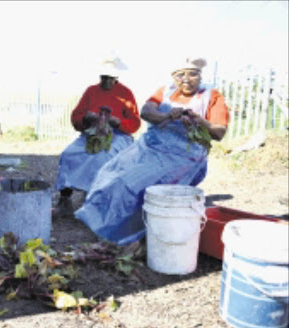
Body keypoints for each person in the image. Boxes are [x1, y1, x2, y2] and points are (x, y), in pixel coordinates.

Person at [74, 57, 229, 245]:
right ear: (173, 77)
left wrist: (198, 120)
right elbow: (146, 112)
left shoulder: (211, 95)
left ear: (200, 75)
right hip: (151, 147)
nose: (186, 79)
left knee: (132, 183)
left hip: (184, 156)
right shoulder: (165, 91)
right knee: (110, 172)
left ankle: (129, 234)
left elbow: (219, 132)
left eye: (192, 74)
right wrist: (167, 116)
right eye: (180, 75)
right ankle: (101, 220)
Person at [53, 57, 141, 218]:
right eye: (103, 77)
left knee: (103, 158)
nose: (106, 81)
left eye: (110, 78)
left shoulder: (126, 93)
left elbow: (135, 123)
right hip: (92, 132)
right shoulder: (91, 91)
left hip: (118, 136)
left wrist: (118, 122)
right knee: (69, 154)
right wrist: (86, 119)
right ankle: (65, 200)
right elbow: (76, 116)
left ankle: (97, 205)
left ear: (116, 78)